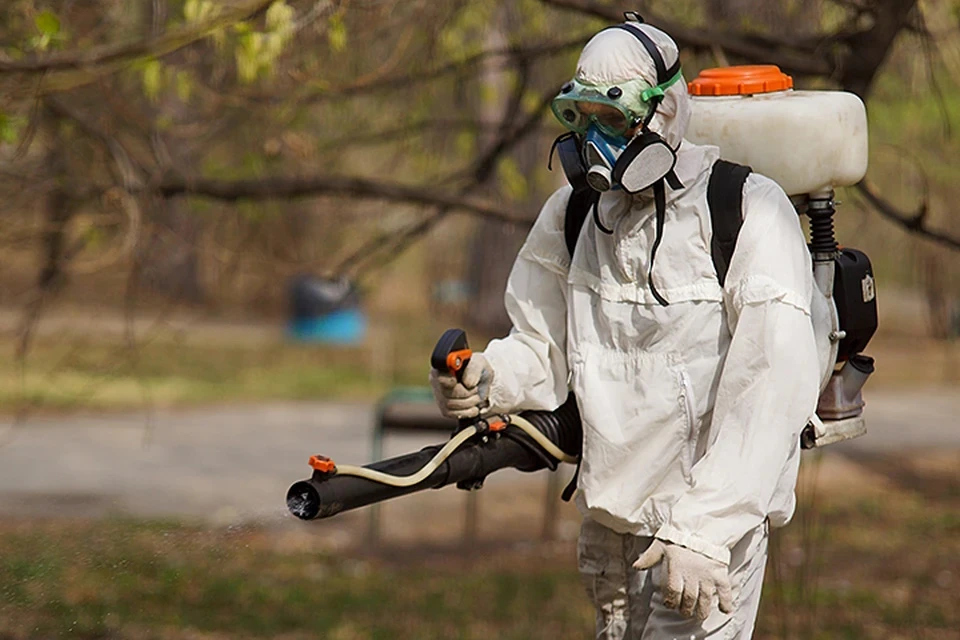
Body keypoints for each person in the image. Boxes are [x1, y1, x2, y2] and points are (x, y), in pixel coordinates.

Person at [430, 15, 820, 640]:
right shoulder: (574, 213)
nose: (594, 143)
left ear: (663, 112)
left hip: (704, 534)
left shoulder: (748, 210)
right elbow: (543, 345)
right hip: (612, 525)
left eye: (611, 121)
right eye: (580, 120)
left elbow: (770, 386)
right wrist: (489, 378)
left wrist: (705, 529)